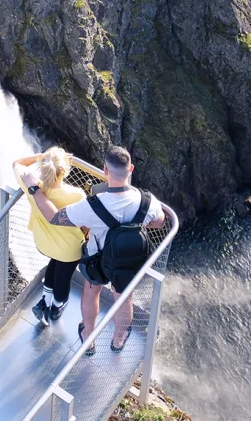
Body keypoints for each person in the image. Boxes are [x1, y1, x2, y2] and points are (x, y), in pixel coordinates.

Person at [22, 145, 166, 353]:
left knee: (92, 292)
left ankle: (88, 338)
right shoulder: (147, 201)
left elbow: (55, 217)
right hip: (129, 260)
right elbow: (159, 222)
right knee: (123, 297)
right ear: (131, 169)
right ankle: (118, 340)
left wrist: (34, 188)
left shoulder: (92, 205)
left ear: (105, 171)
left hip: (98, 259)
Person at [12, 147, 86, 325]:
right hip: (69, 249)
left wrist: (43, 157)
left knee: (54, 260)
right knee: (64, 276)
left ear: (43, 166)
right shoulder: (77, 195)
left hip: (43, 243)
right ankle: (57, 306)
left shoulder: (31, 184)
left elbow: (17, 163)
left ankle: (45, 298)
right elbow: (85, 225)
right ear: (65, 170)